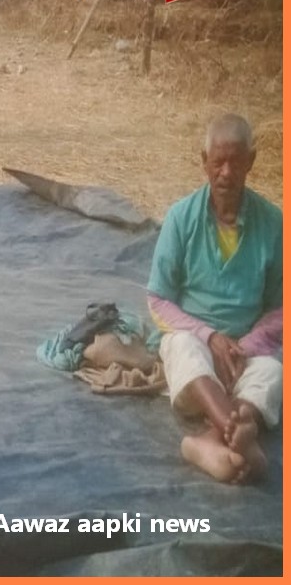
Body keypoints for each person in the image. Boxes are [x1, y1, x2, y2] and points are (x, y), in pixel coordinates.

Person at [148, 113, 282, 485]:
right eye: (218, 161)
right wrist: (210, 337)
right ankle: (236, 431)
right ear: (202, 161)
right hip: (200, 354)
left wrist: (245, 346)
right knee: (182, 348)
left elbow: (279, 307)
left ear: (251, 162)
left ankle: (207, 442)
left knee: (273, 372)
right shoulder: (180, 218)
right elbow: (158, 299)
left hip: (245, 353)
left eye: (236, 162)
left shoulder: (273, 224)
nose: (226, 172)